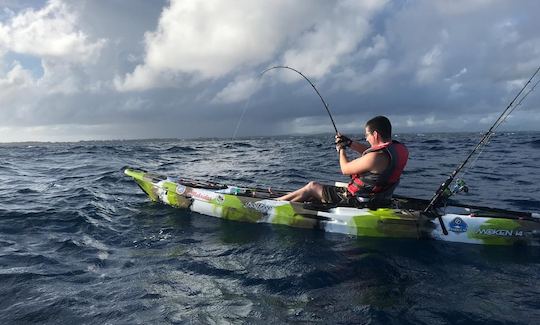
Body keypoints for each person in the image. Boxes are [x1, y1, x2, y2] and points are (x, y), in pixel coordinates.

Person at [276, 116, 408, 205]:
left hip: (359, 200)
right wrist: (349, 143)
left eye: (367, 135)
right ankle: (286, 200)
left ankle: (274, 204)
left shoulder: (375, 158)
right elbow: (370, 153)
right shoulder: (399, 149)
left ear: (375, 135)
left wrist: (341, 149)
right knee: (315, 195)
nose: (366, 138)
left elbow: (345, 169)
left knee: (312, 187)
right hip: (380, 197)